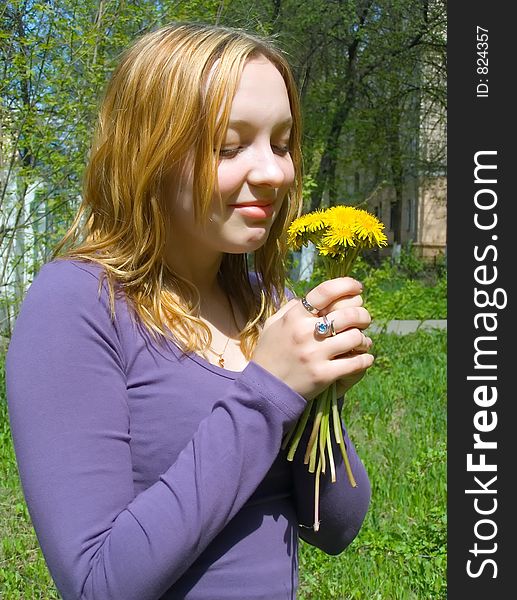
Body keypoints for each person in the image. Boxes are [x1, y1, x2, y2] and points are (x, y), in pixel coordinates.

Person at [5, 22, 374, 600]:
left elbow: (337, 527)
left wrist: (319, 398)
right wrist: (268, 393)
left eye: (281, 143)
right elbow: (97, 584)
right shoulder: (77, 304)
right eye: (230, 147)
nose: (275, 172)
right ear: (148, 152)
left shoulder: (267, 305)